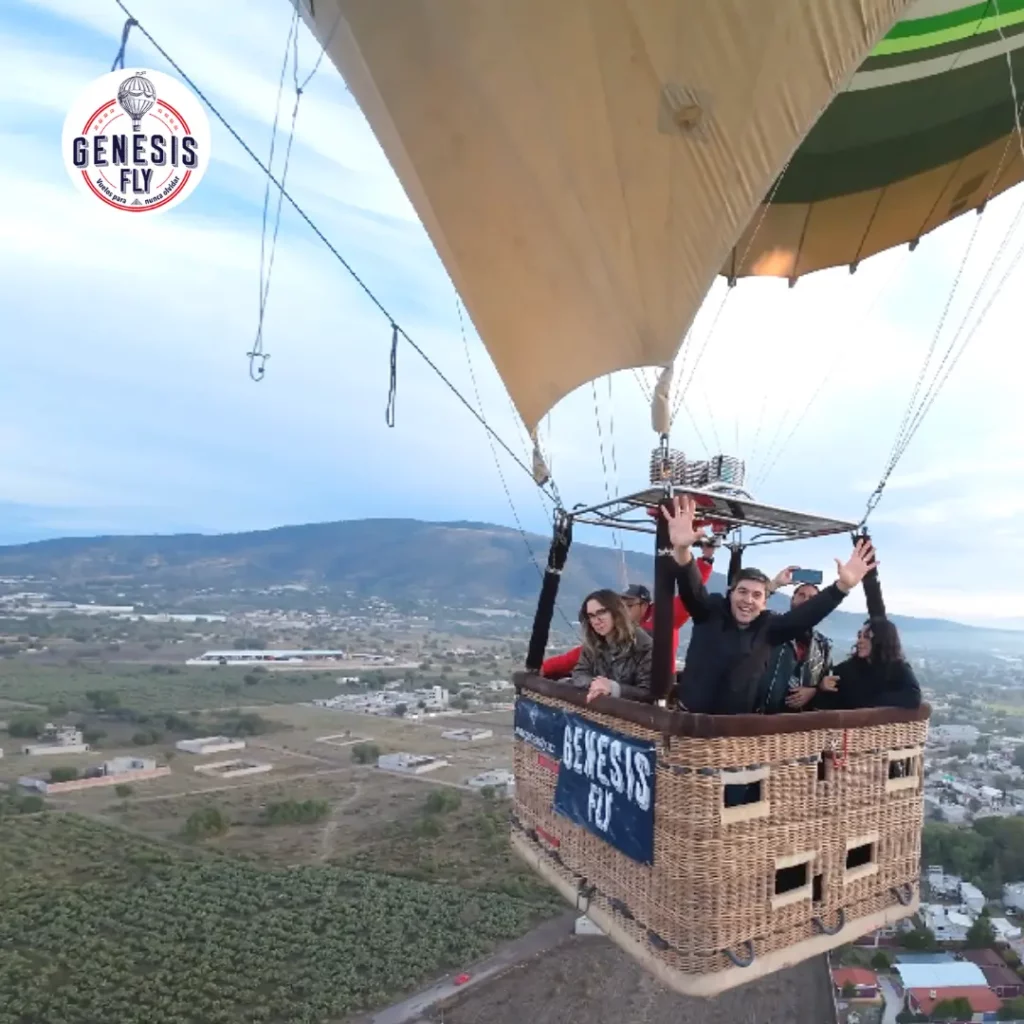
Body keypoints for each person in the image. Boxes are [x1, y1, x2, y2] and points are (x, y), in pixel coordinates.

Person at [662, 495, 876, 715]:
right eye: (742, 592)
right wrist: (682, 550)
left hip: (736, 730)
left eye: (756, 595)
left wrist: (841, 587)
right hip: (690, 724)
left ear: (765, 601)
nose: (748, 600)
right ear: (730, 593)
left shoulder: (768, 628)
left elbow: (806, 616)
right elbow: (691, 587)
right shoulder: (709, 612)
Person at [540, 545, 716, 679]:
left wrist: (706, 559)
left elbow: (691, 592)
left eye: (629, 605)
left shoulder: (663, 616)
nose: (624, 610)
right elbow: (585, 652)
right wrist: (545, 667)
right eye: (620, 605)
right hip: (627, 685)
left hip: (655, 685)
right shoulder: (618, 626)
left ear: (645, 605)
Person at [753, 578, 834, 714]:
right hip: (761, 715)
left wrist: (814, 691)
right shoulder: (770, 629)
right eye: (801, 595)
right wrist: (774, 585)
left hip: (800, 722)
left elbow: (828, 683)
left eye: (812, 598)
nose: (806, 600)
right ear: (792, 600)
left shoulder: (823, 645)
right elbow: (752, 609)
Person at [815, 618, 921, 710]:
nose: (859, 641)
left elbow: (913, 697)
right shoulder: (846, 670)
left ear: (881, 640)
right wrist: (822, 688)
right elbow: (825, 706)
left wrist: (869, 702)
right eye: (859, 636)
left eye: (866, 637)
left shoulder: (898, 669)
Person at [571, 589, 654, 704]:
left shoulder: (644, 646)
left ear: (616, 612)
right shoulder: (592, 644)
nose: (596, 621)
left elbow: (648, 694)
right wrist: (595, 684)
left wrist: (613, 688)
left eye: (601, 613)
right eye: (591, 616)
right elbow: (579, 674)